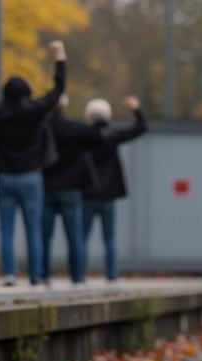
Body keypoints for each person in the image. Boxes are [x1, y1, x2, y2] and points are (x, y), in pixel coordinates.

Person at [0, 40, 67, 286]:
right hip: (31, 175)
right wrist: (59, 57)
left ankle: (10, 273)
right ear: (27, 93)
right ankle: (35, 274)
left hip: (6, 176)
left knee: (6, 228)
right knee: (33, 229)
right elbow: (58, 90)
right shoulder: (36, 111)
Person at [82, 96, 147, 281]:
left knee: (82, 236)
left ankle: (78, 273)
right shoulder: (113, 136)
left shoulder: (82, 136)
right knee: (109, 236)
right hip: (108, 194)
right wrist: (136, 109)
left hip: (87, 193)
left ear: (88, 115)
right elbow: (140, 128)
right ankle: (111, 275)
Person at [41, 96, 104, 285]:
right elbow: (97, 136)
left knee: (44, 234)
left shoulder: (43, 128)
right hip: (71, 187)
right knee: (75, 235)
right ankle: (77, 275)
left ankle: (43, 274)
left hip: (47, 186)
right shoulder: (74, 128)